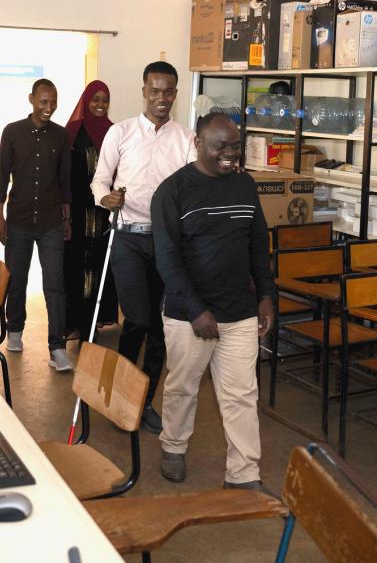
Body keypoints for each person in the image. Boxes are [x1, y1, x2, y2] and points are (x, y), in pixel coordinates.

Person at [151, 112, 276, 493]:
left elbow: (258, 245)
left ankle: (243, 473)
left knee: (241, 394)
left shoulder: (244, 185)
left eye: (236, 146)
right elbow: (167, 259)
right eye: (221, 146)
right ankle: (173, 446)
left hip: (239, 310)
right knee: (183, 386)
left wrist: (267, 295)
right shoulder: (172, 192)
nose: (230, 154)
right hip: (189, 315)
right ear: (198, 143)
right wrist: (195, 310)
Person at [91, 61, 193, 434]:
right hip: (127, 237)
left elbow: (191, 190)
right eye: (154, 90)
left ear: (175, 94)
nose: (161, 98)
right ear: (144, 90)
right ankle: (119, 394)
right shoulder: (120, 133)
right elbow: (99, 180)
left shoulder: (186, 139)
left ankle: (143, 401)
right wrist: (106, 199)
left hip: (166, 242)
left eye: (168, 91)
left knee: (161, 328)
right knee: (137, 319)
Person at [0, 78, 74, 372]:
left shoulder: (61, 136)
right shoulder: (12, 132)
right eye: (43, 102)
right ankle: (14, 331)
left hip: (53, 221)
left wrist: (67, 218)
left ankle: (57, 348)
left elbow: (65, 181)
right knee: (17, 279)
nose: (49, 108)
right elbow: (2, 175)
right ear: (31, 99)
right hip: (19, 219)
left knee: (55, 284)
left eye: (53, 102)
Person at [63, 81, 118, 337]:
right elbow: (62, 174)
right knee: (76, 266)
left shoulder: (114, 131)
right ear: (86, 101)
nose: (100, 105)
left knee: (100, 265)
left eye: (104, 100)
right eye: (95, 99)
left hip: (104, 213)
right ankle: (76, 321)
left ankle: (93, 320)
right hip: (77, 213)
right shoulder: (73, 132)